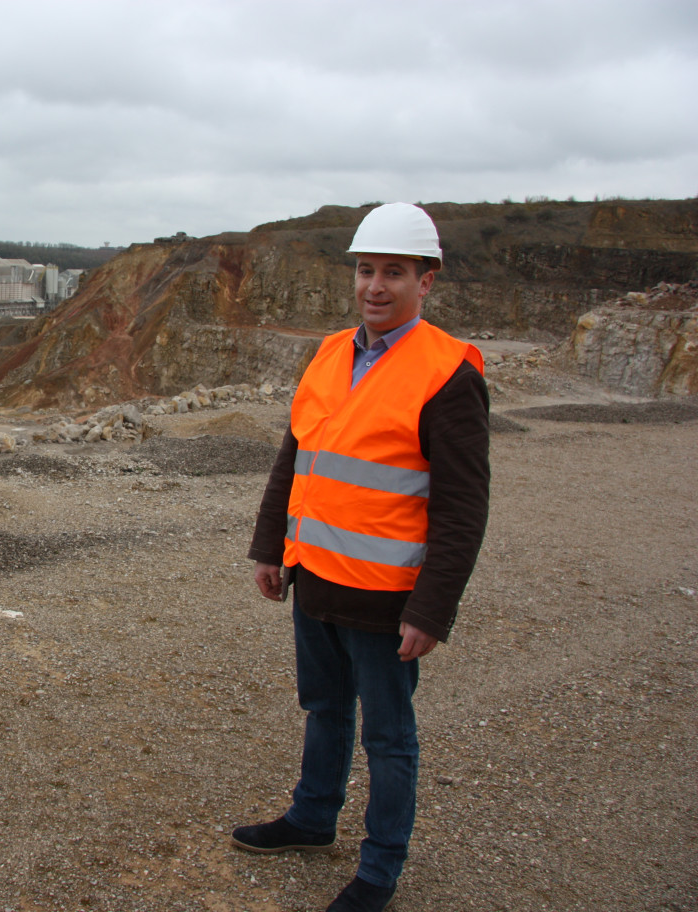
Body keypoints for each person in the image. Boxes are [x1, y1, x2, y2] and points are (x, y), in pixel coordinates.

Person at [230, 203, 490, 912]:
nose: (376, 286)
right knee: (323, 708)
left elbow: (463, 508)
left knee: (388, 738)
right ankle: (313, 819)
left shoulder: (447, 374)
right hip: (314, 577)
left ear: (425, 281)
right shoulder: (329, 353)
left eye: (394, 273)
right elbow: (297, 456)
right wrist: (269, 546)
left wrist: (433, 607)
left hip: (386, 595)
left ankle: (378, 872)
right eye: (366, 270)